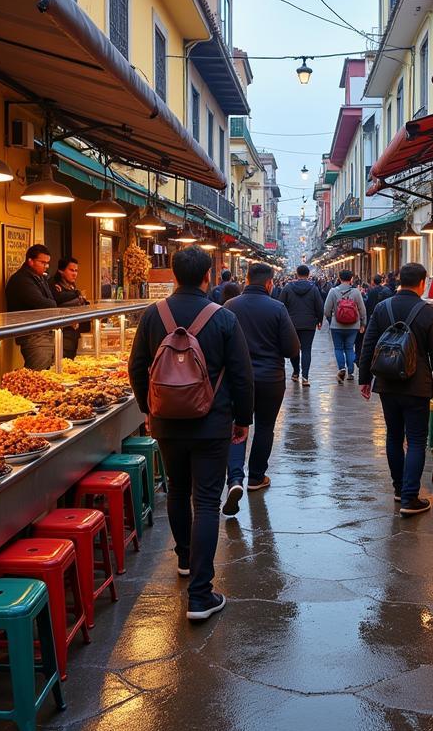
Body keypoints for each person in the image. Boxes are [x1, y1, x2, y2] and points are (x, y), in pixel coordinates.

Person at [128, 245, 254, 621]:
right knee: (206, 501)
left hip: (166, 422)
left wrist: (148, 409)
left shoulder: (154, 315)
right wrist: (242, 419)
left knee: (178, 492)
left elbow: (137, 367)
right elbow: (242, 374)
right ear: (207, 277)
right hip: (212, 423)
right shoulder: (223, 317)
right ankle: (200, 596)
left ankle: (184, 559)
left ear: (172, 274)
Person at [358, 261, 433, 517]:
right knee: (417, 440)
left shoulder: (381, 307)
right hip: (417, 385)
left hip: (387, 383)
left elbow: (369, 345)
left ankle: (399, 489)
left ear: (400, 280)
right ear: (422, 283)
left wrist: (364, 378)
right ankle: (410, 497)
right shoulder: (427, 311)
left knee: (393, 436)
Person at [222, 263, 300, 512]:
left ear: (246, 279)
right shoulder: (277, 308)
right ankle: (256, 477)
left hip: (236, 379)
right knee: (265, 426)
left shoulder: (229, 307)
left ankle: (235, 478)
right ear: (269, 283)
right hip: (270, 379)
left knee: (237, 425)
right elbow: (291, 349)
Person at [5, 244, 58, 370]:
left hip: (44, 332)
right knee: (37, 372)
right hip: (33, 334)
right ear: (30, 261)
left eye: (47, 263)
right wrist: (52, 303)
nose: (46, 266)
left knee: (47, 373)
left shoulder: (40, 278)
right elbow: (44, 304)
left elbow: (52, 301)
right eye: (42, 262)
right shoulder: (21, 280)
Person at [281, 264, 324, 386]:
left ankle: (295, 372)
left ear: (296, 274)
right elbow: (319, 306)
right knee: (306, 349)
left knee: (294, 349)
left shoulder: (288, 288)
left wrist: (283, 322)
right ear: (308, 274)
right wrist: (319, 320)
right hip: (309, 324)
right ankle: (305, 377)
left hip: (292, 324)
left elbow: (281, 305)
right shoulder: (314, 288)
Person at [324, 268, 367, 382]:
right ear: (351, 279)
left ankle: (342, 368)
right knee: (349, 348)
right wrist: (363, 323)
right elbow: (362, 309)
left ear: (339, 278)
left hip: (336, 325)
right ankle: (351, 372)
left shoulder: (333, 291)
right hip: (353, 326)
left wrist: (331, 318)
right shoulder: (356, 292)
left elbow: (326, 310)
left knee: (338, 348)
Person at [52, 255, 91, 359]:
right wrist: (78, 295)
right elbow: (57, 303)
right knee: (63, 361)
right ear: (61, 270)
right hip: (63, 332)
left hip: (74, 332)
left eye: (76, 271)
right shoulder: (54, 285)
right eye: (71, 270)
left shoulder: (71, 285)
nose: (75, 274)